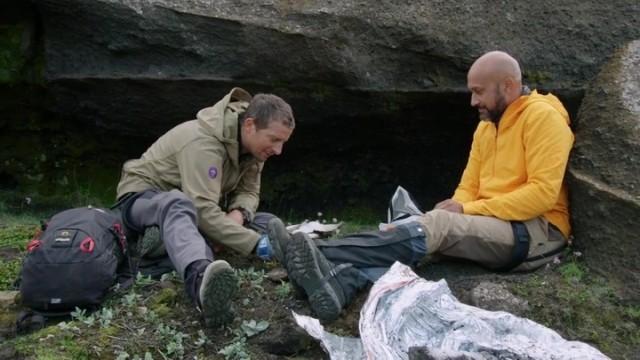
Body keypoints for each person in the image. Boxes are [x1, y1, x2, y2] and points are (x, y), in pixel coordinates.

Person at [282, 51, 575, 322]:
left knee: (438, 227)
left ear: (509, 87)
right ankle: (341, 285)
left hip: (536, 231)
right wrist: (458, 208)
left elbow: (542, 194)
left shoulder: (542, 117)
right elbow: (468, 186)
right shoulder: (486, 127)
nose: (473, 102)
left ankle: (322, 253)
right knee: (422, 237)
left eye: (478, 92)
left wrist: (462, 211)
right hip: (494, 221)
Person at [114, 88, 294, 327]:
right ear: (250, 125)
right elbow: (200, 208)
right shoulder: (203, 142)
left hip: (195, 210)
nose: (278, 150)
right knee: (178, 205)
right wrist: (256, 245)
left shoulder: (254, 150)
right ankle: (200, 281)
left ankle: (176, 244)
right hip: (144, 202)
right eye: (274, 140)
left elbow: (248, 193)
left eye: (283, 142)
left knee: (267, 222)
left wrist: (238, 214)